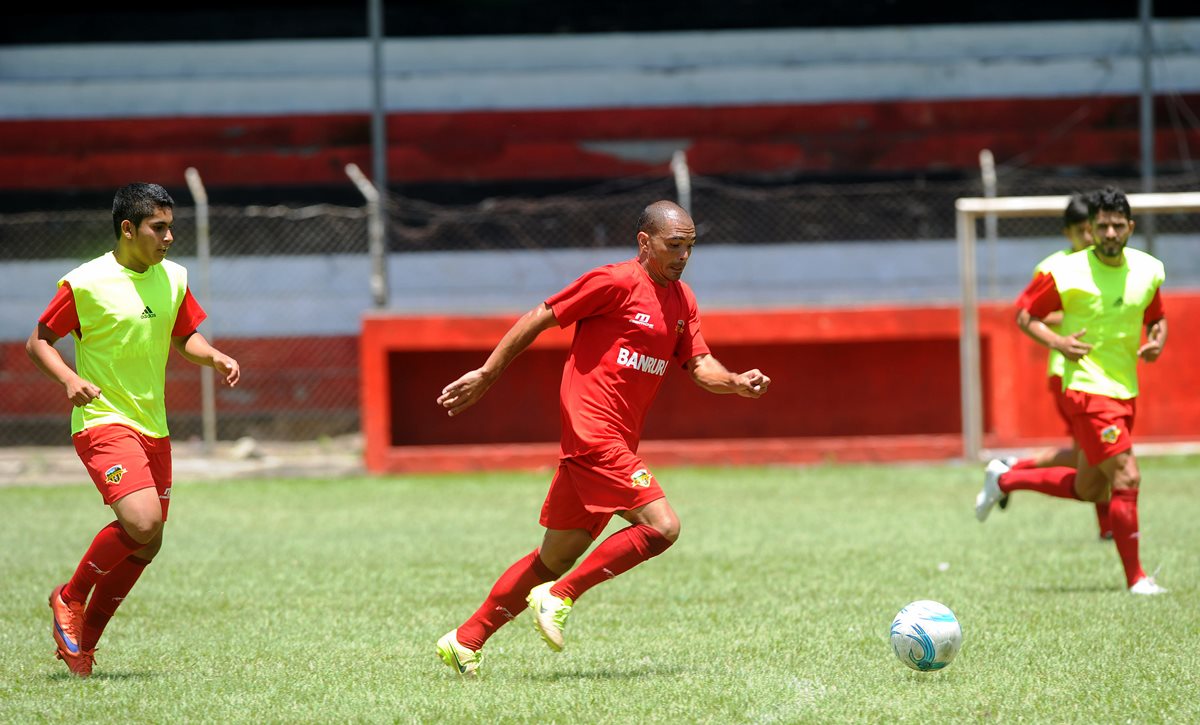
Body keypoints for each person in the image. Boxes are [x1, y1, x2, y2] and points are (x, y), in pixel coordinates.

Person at [434, 200, 771, 676]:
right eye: (674, 245)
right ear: (645, 243)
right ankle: (561, 595)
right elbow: (541, 315)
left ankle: (465, 640)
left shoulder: (682, 300)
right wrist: (488, 373)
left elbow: (698, 364)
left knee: (554, 556)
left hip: (607, 445)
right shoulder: (613, 282)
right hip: (593, 433)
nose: (683, 256)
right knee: (662, 526)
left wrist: (735, 381)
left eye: (690, 247)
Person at [26, 182, 241, 676]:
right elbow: (38, 341)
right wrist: (69, 378)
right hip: (102, 420)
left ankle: (83, 647)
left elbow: (186, 336)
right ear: (128, 229)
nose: (168, 238)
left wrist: (215, 356)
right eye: (158, 228)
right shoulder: (86, 283)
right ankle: (69, 597)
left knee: (149, 541)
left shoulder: (174, 278)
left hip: (153, 426)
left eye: (171, 228)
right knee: (143, 522)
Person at [974, 186, 1167, 595]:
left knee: (1088, 487)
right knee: (1127, 478)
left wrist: (1157, 338)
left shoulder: (1149, 269)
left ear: (1130, 227)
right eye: (1102, 227)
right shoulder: (1065, 271)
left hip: (1124, 389)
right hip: (1085, 388)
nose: (1111, 234)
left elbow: (1156, 314)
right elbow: (1025, 314)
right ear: (1091, 231)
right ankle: (1137, 579)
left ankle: (1005, 481)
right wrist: (1059, 343)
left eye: (1118, 226)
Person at [997, 192, 1113, 540]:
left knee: (1092, 452)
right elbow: (1034, 313)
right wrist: (1080, 317)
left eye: (1091, 228)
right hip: (1067, 372)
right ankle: (1109, 527)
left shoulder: (1106, 265)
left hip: (1103, 371)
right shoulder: (1053, 267)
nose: (1089, 237)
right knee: (1100, 451)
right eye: (1081, 230)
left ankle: (1011, 469)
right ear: (1068, 233)